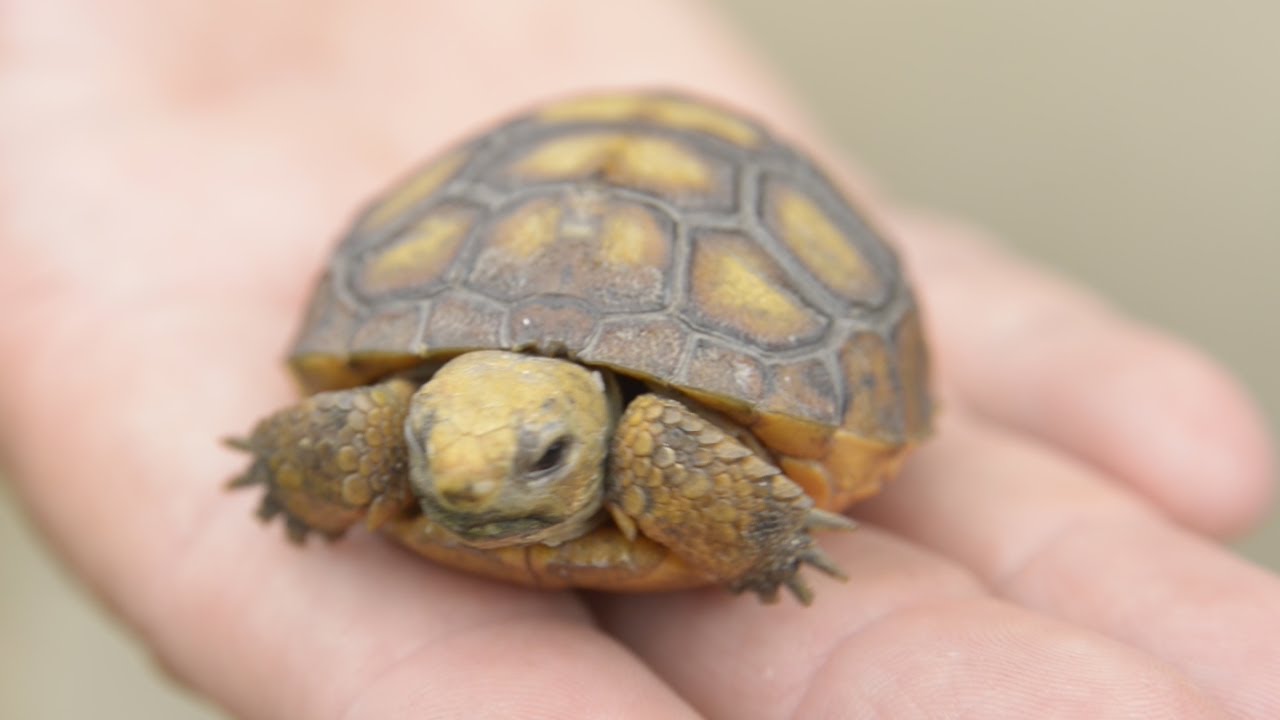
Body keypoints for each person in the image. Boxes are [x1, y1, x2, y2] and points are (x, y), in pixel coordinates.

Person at [1, 2, 1276, 717]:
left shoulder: (657, 442)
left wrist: (761, 529)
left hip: (705, 368)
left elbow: (668, 443)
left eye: (527, 459)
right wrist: (305, 467)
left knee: (674, 443)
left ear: (584, 438)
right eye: (440, 450)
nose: (459, 493)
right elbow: (356, 437)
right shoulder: (411, 432)